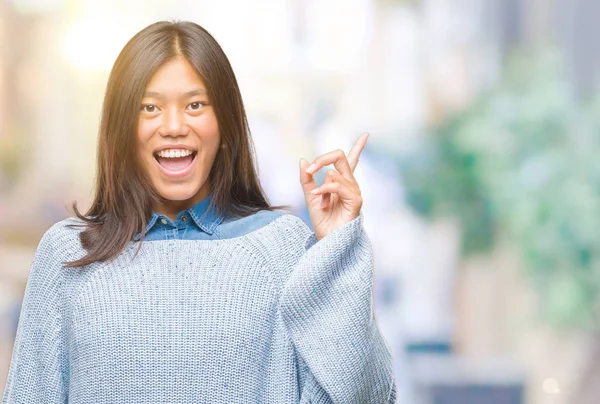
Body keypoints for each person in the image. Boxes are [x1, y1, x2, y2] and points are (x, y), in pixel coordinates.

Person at [1, 21, 397, 403]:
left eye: (195, 104)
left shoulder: (284, 248)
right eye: (149, 107)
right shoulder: (68, 253)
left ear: (225, 126)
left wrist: (337, 247)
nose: (173, 126)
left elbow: (363, 396)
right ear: (121, 129)